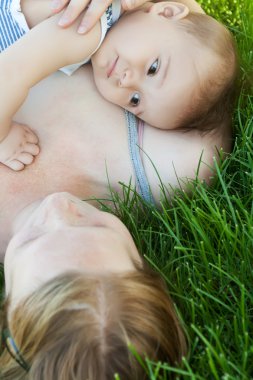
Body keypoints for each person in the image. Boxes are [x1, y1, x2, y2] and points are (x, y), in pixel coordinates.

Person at [0, 0, 237, 170]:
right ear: (166, 11)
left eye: (135, 100)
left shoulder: (123, 23)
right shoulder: (87, 32)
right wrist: (4, 138)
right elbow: (7, 75)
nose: (127, 81)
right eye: (153, 69)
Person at [0, 191, 187, 379]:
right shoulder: (166, 175)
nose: (57, 202)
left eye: (31, 241)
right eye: (99, 229)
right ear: (143, 265)